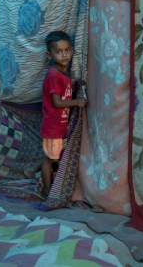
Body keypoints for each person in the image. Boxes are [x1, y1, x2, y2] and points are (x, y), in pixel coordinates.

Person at [40, 30, 86, 196]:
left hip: (60, 126)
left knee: (54, 155)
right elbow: (57, 102)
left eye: (67, 50)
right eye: (58, 52)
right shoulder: (53, 75)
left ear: (72, 51)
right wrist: (77, 102)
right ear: (49, 54)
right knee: (50, 159)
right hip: (53, 127)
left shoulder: (63, 73)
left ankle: (35, 172)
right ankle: (46, 189)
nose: (64, 55)